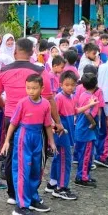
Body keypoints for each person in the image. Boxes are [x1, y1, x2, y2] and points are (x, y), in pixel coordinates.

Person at [0, 38, 56, 205]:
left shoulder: (4, 70)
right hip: (35, 120)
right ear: (33, 52)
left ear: (15, 52)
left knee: (12, 155)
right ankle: (30, 194)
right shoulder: (40, 71)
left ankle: (13, 194)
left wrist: (4, 106)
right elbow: (49, 98)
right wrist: (58, 121)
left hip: (11, 117)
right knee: (35, 159)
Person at [0, 74, 56, 215]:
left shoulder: (45, 104)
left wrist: (51, 141)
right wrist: (6, 141)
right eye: (28, 88)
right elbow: (13, 123)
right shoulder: (22, 103)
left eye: (34, 88)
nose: (31, 91)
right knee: (22, 170)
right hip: (23, 136)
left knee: (36, 169)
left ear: (42, 88)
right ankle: (21, 206)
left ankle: (32, 197)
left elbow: (48, 125)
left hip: (38, 136)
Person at [46, 71, 80, 201]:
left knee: (58, 158)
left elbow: (75, 111)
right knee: (65, 160)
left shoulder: (71, 97)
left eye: (72, 85)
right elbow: (52, 114)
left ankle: (53, 182)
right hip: (61, 133)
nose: (70, 87)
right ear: (60, 85)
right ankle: (62, 188)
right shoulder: (59, 98)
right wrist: (55, 126)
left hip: (67, 132)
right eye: (67, 85)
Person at [74, 73, 100, 188]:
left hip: (80, 129)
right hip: (86, 131)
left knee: (82, 154)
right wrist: (94, 123)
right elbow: (87, 112)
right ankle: (82, 177)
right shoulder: (91, 97)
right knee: (86, 155)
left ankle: (83, 175)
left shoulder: (82, 95)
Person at [94, 63, 108, 168]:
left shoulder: (99, 84)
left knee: (102, 133)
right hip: (106, 112)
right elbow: (106, 103)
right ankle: (104, 156)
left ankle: (99, 153)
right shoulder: (106, 86)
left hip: (100, 112)